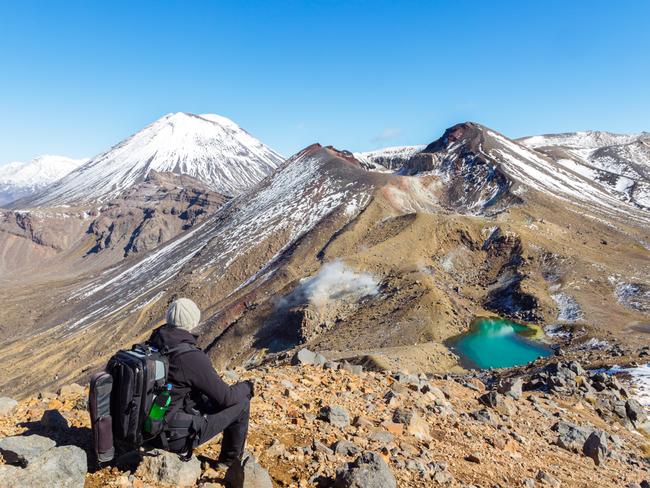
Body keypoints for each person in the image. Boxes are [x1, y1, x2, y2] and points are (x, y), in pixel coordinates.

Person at [147, 297, 254, 466]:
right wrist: (247, 387)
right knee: (241, 404)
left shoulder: (154, 343)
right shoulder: (189, 356)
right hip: (170, 436)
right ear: (193, 321)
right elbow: (226, 398)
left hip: (147, 427)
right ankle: (229, 464)